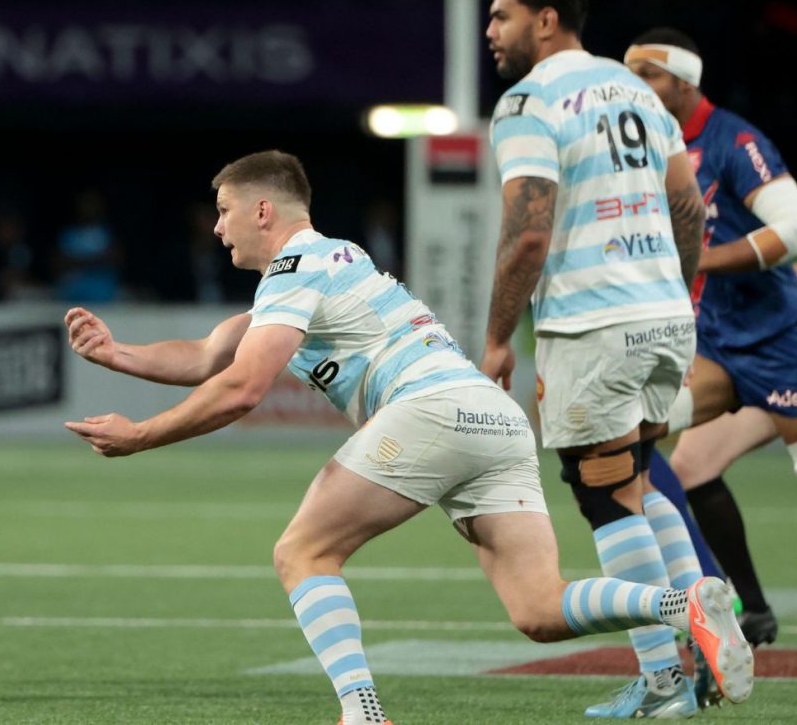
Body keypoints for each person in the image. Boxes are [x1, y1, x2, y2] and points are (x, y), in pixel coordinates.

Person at [64, 149, 752, 725]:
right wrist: (116, 353)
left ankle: (362, 713)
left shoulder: (293, 270)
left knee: (303, 552)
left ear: (262, 210)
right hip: (492, 417)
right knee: (539, 609)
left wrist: (141, 436)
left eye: (223, 210)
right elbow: (208, 355)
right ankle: (684, 603)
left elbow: (242, 388)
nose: (217, 228)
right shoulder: (333, 261)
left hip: (428, 410)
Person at [482, 0, 714, 717]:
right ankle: (710, 647)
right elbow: (688, 206)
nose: (491, 29)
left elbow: (528, 234)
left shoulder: (527, 102)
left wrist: (496, 338)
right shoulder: (636, 90)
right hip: (664, 315)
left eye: (502, 15)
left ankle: (664, 680)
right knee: (639, 477)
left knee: (602, 491)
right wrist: (672, 291)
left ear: (545, 20)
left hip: (593, 324)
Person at [626, 27, 797, 651]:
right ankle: (737, 606)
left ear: (684, 81)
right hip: (719, 345)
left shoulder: (735, 140)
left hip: (783, 341)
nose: (637, 89)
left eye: (649, 76)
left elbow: (793, 229)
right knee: (641, 441)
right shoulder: (651, 150)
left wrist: (700, 262)